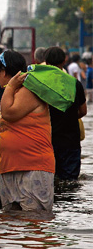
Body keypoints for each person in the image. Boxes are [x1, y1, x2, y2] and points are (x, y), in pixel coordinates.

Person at [0, 49, 55, 212]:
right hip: (10, 167)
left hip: (33, 166)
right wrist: (0, 164)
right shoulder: (12, 94)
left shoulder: (28, 91)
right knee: (9, 228)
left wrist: (11, 85)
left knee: (34, 224)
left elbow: (9, 114)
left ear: (4, 72)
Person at [44, 47, 87, 181]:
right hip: (71, 142)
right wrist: (69, 117)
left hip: (48, 141)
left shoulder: (41, 84)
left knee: (51, 181)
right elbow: (83, 111)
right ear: (64, 60)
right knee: (70, 182)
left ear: (46, 62)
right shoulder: (75, 84)